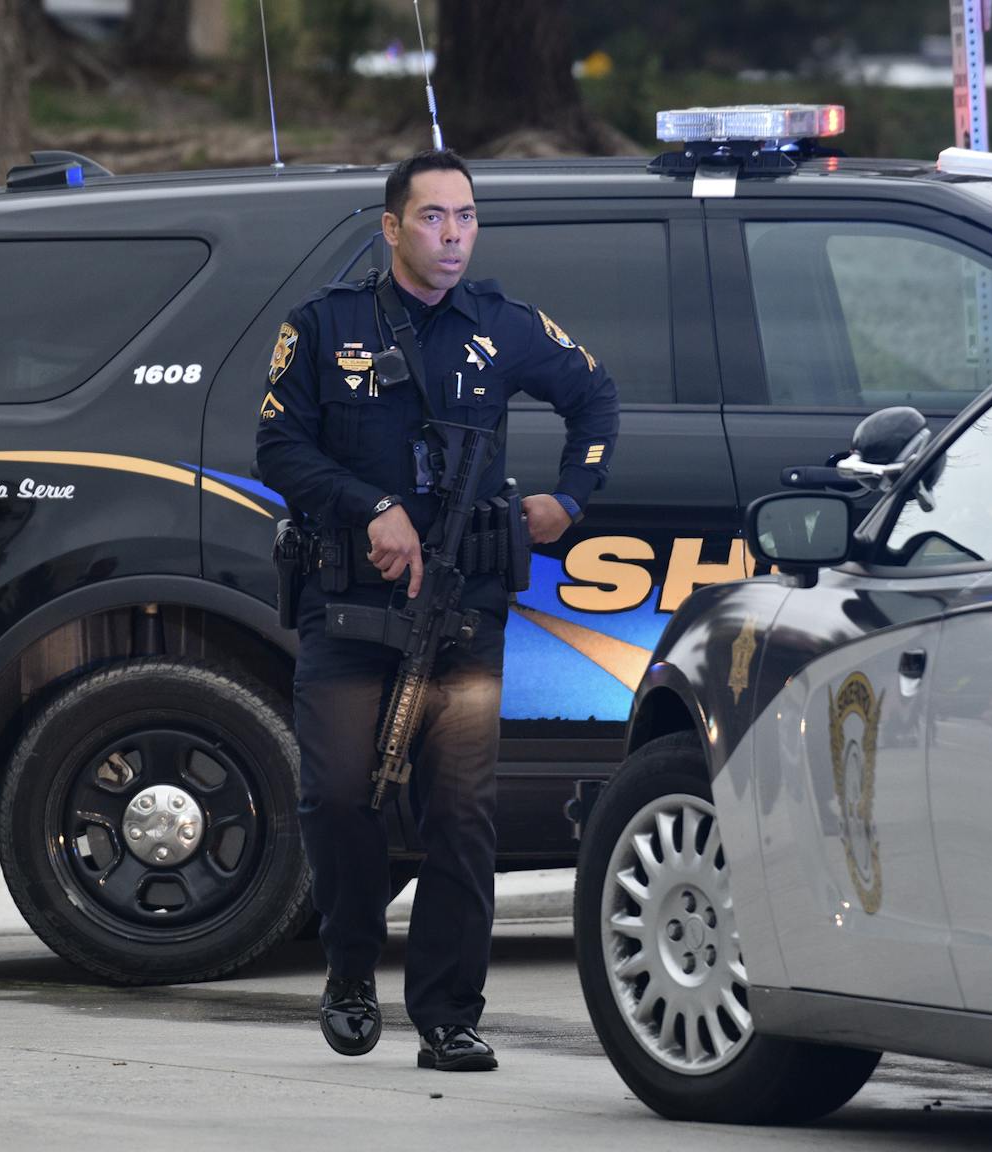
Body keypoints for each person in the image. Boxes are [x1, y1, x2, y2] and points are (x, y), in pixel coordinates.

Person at [255, 150, 618, 1071]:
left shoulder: (505, 325)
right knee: (339, 796)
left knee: (460, 812)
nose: (452, 234)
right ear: (391, 228)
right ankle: (346, 973)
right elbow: (277, 444)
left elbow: (596, 396)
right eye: (432, 217)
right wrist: (369, 508)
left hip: (463, 611)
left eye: (464, 217)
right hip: (349, 608)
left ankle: (450, 1014)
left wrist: (569, 501)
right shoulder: (323, 326)